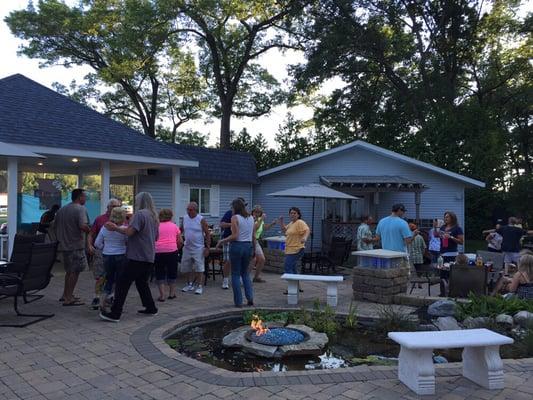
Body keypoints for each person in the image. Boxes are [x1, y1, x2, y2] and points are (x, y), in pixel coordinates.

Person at [99, 192, 159, 322]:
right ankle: (151, 307)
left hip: (136, 256)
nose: (135, 203)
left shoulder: (140, 214)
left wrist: (115, 227)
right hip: (149, 255)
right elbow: (156, 237)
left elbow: (130, 232)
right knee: (142, 283)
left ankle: (115, 313)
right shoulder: (154, 216)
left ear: (140, 202)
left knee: (122, 283)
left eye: (136, 201)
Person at [54, 189, 90, 306]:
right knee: (75, 272)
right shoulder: (80, 209)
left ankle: (66, 295)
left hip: (64, 246)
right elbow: (83, 226)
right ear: (80, 197)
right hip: (76, 246)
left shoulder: (62, 210)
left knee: (69, 272)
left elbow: (55, 226)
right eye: (85, 196)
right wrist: (92, 230)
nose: (86, 199)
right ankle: (69, 298)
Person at [217, 198, 256, 307]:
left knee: (235, 274)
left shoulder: (235, 218)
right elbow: (253, 236)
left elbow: (235, 236)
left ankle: (238, 302)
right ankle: (250, 298)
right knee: (245, 274)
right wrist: (254, 248)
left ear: (235, 207)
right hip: (248, 246)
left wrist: (222, 241)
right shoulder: (251, 218)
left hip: (237, 246)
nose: (231, 209)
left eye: (232, 207)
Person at [87, 198, 122, 310]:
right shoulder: (100, 219)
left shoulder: (123, 221)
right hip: (102, 253)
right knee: (100, 276)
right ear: (108, 207)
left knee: (114, 277)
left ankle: (110, 296)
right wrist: (89, 245)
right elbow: (91, 234)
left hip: (112, 253)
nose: (115, 208)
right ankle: (96, 297)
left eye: (117, 206)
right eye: (113, 206)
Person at [94, 206, 128, 311]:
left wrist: (105, 248)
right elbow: (128, 241)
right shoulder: (124, 229)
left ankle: (102, 301)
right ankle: (115, 302)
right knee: (119, 280)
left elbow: (97, 243)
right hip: (121, 255)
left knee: (109, 279)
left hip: (107, 255)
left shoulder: (105, 228)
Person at [181, 202, 211, 295]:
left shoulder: (201, 219)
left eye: (191, 210)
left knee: (199, 267)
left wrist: (207, 247)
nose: (189, 211)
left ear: (195, 210)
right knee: (186, 266)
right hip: (187, 247)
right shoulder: (185, 218)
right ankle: (189, 284)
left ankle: (199, 286)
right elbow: (181, 230)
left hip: (198, 247)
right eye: (188, 209)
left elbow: (208, 233)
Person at [154, 209, 182, 302]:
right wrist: (177, 248)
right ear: (171, 216)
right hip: (172, 251)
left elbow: (153, 239)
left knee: (160, 272)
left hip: (158, 251)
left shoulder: (156, 226)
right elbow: (180, 241)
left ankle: (162, 295)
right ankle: (172, 293)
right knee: (172, 272)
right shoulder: (174, 226)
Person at [219, 198, 246, 289]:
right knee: (227, 260)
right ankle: (225, 279)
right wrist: (232, 224)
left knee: (241, 261)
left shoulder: (246, 216)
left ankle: (241, 278)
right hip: (228, 239)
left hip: (240, 241)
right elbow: (222, 224)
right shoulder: (229, 214)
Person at [249, 205, 277, 283]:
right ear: (252, 212)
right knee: (253, 260)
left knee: (261, 259)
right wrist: (261, 219)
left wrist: (272, 224)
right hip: (251, 241)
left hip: (256, 241)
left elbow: (264, 228)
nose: (257, 213)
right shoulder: (252, 219)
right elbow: (256, 228)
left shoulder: (260, 220)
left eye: (259, 212)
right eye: (255, 212)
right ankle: (246, 277)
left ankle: (256, 277)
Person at [280, 207, 310, 275]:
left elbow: (307, 230)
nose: (292, 214)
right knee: (293, 268)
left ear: (298, 215)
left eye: (294, 213)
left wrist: (305, 238)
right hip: (290, 249)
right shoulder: (291, 223)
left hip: (297, 249)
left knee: (287, 267)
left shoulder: (300, 222)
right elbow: (285, 231)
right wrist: (281, 222)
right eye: (291, 213)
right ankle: (296, 285)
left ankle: (292, 284)